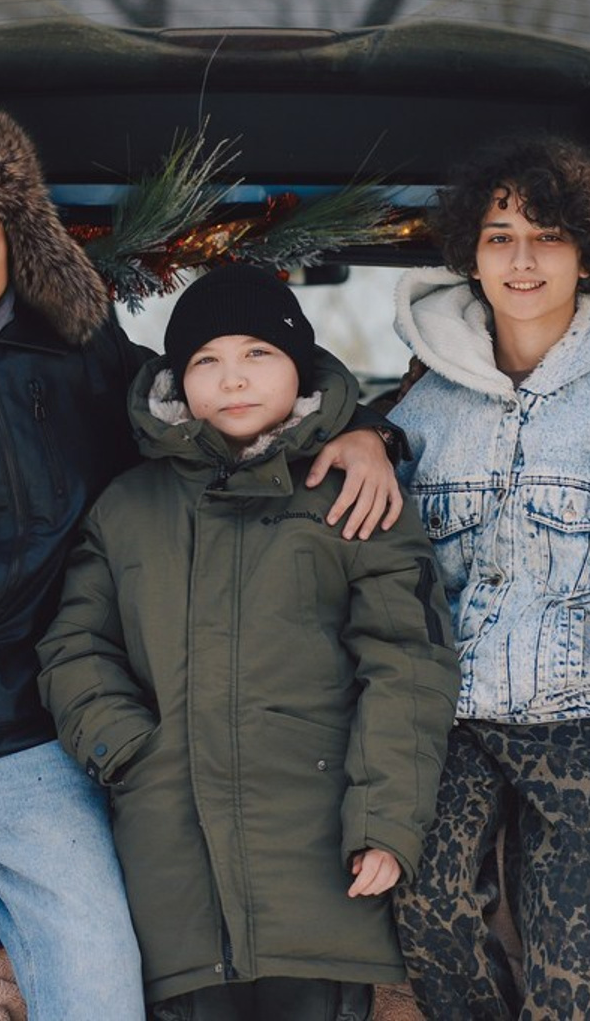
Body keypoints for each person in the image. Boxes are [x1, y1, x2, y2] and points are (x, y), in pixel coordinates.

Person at [0, 99, 402, 1021]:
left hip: (36, 749)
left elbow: (227, 403)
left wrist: (367, 430)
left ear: (17, 238)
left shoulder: (82, 357)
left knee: (101, 993)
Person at [37, 263, 459, 1021]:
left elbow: (407, 663)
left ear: (299, 365)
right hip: (175, 878)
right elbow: (73, 645)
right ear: (177, 379)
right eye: (206, 361)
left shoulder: (354, 496)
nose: (232, 379)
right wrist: (129, 750)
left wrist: (386, 823)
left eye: (257, 353)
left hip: (319, 873)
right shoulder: (129, 506)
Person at [388, 136, 590, 1020]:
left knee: (571, 961)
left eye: (549, 234)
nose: (522, 259)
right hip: (452, 718)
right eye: (499, 236)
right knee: (426, 918)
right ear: (471, 253)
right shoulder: (423, 408)